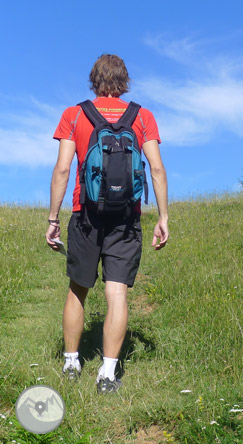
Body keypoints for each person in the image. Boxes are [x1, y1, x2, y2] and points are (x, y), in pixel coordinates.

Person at [45, 54, 169, 394]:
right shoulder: (142, 116)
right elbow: (156, 169)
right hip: (127, 218)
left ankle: (71, 364)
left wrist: (54, 219)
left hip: (85, 213)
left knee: (78, 288)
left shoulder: (74, 114)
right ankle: (108, 374)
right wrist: (163, 216)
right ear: (124, 81)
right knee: (117, 293)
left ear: (94, 80)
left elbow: (62, 169)